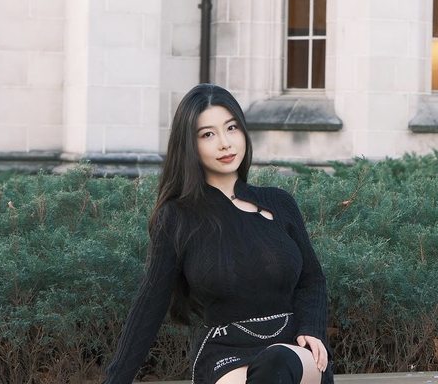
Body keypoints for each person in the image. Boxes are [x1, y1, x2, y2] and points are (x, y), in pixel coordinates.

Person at [104, 84, 333, 384]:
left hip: (292, 347)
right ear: (190, 145)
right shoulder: (178, 217)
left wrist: (312, 328)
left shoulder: (280, 203)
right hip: (226, 351)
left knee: (277, 361)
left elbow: (312, 280)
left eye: (231, 128)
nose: (225, 143)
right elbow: (150, 304)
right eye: (208, 134)